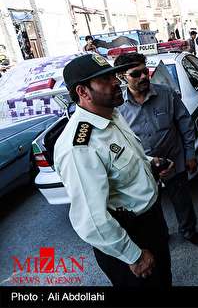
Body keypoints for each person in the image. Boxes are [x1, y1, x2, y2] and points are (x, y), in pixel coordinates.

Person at [53, 54, 174, 287]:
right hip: (128, 236)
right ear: (83, 92)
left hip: (151, 222)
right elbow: (92, 220)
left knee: (164, 280)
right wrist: (134, 256)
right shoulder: (80, 146)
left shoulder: (111, 114)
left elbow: (125, 161)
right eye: (105, 79)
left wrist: (150, 163)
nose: (116, 82)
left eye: (113, 75)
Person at [114, 52, 198, 247]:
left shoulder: (166, 94)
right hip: (143, 169)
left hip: (174, 160)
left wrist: (190, 154)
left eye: (145, 71)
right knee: (150, 207)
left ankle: (189, 231)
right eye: (136, 74)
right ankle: (161, 235)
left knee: (182, 201)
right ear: (122, 76)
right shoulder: (117, 108)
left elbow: (185, 123)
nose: (143, 77)